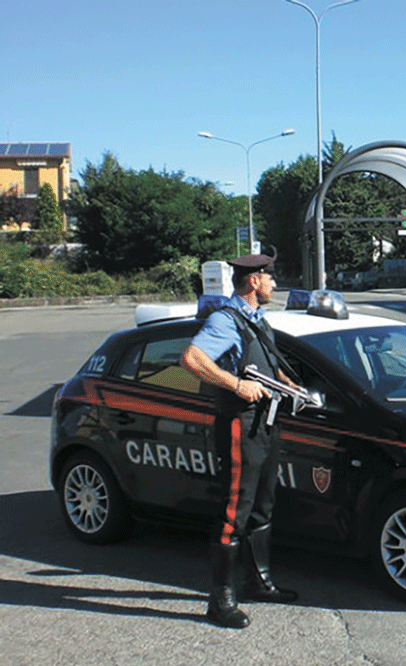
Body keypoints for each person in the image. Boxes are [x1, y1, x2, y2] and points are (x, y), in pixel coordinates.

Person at [180, 249, 300, 629]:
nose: (274, 283)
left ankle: (258, 582)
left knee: (263, 506)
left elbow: (262, 361)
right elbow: (192, 359)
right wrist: (235, 384)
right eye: (270, 277)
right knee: (234, 512)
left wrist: (286, 382)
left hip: (266, 422)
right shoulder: (225, 320)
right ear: (253, 281)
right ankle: (221, 601)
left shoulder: (256, 319)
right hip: (238, 424)